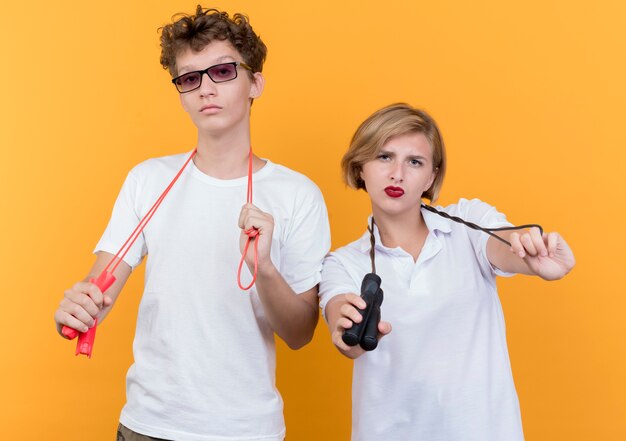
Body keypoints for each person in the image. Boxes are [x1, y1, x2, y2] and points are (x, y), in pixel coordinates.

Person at [53, 6, 330, 441]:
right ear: (180, 92)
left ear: (254, 81)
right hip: (147, 425)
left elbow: (299, 333)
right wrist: (77, 308)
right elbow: (98, 287)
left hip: (245, 430)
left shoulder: (298, 194)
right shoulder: (148, 179)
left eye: (222, 71)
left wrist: (265, 269)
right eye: (189, 78)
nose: (205, 89)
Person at [319, 103, 575, 441]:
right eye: (384, 157)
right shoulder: (343, 263)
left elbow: (504, 246)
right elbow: (344, 331)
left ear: (431, 176)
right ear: (360, 167)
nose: (398, 173)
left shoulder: (468, 224)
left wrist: (532, 254)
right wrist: (347, 329)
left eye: (415, 162)